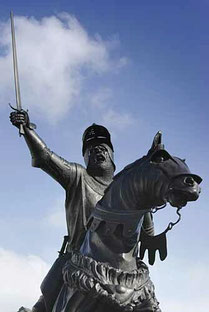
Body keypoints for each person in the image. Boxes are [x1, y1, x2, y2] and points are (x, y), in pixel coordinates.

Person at [10, 110, 154, 312]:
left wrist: (151, 236)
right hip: (79, 263)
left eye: (102, 147)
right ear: (85, 157)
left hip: (124, 274)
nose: (96, 152)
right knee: (49, 294)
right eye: (90, 150)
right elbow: (45, 158)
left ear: (111, 152)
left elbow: (144, 209)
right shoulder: (78, 176)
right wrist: (26, 130)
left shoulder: (125, 187)